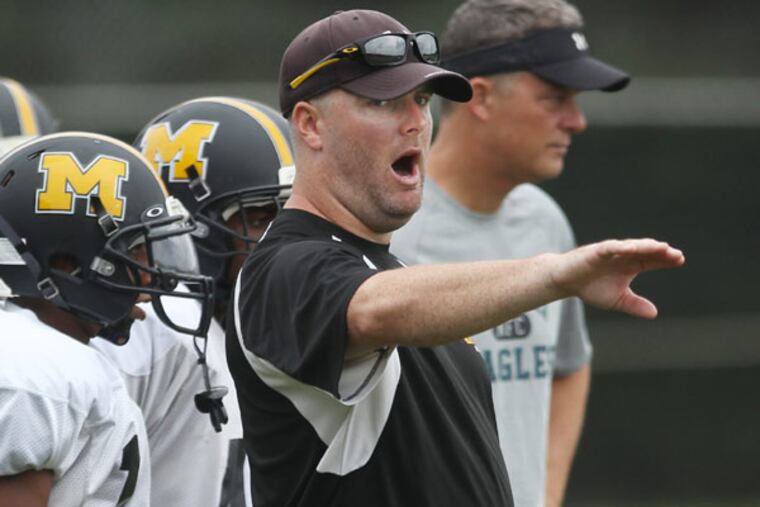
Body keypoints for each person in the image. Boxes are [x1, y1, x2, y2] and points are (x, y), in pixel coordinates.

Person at [226, 9, 684, 506]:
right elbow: (375, 309)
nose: (415, 122)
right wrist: (555, 274)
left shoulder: (382, 264)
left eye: (421, 100)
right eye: (384, 103)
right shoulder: (278, 268)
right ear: (311, 126)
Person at [389, 1, 629, 505]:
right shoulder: (388, 232)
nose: (576, 121)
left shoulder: (544, 220)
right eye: (554, 99)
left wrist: (544, 494)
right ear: (481, 97)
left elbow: (569, 366)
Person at [0, 132, 214, 506]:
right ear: (66, 262)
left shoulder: (64, 363)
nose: (149, 279)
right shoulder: (34, 370)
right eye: (135, 251)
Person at [129, 96, 294, 507]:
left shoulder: (267, 330)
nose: (288, 238)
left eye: (293, 212)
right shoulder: (156, 332)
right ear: (187, 226)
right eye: (259, 217)